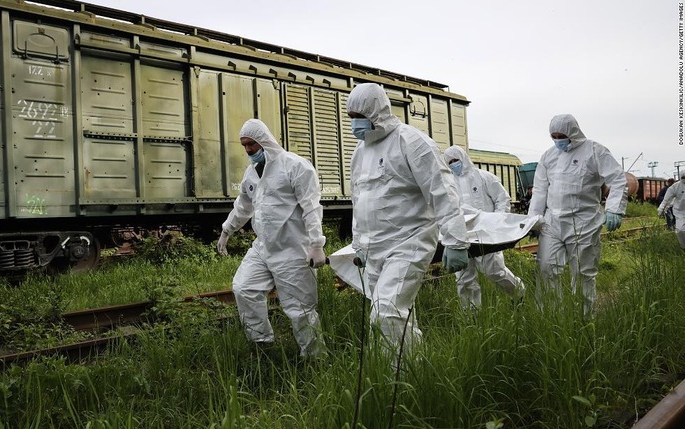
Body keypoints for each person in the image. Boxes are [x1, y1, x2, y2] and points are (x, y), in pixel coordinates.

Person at [346, 83, 469, 350]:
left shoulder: (411, 141)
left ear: (376, 112)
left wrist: (456, 240)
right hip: (375, 247)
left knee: (386, 313)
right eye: (351, 117)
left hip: (409, 242)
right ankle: (411, 374)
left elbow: (442, 191)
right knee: (394, 316)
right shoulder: (360, 153)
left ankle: (401, 375)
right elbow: (360, 200)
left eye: (360, 116)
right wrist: (359, 244)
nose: (354, 123)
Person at [216, 119, 327, 357]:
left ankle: (316, 359)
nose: (247, 150)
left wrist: (316, 244)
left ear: (264, 141)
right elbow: (243, 206)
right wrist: (227, 230)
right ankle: (262, 346)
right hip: (263, 247)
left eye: (251, 145)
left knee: (300, 310)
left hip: (293, 249)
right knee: (244, 287)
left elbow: (311, 208)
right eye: (244, 145)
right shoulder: (251, 173)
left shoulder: (296, 167)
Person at [527, 114, 627, 316]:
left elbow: (617, 179)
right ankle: (550, 315)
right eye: (553, 136)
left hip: (584, 221)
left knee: (582, 273)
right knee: (545, 268)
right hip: (552, 222)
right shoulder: (548, 156)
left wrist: (614, 208)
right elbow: (540, 190)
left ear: (573, 132)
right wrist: (534, 221)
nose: (558, 140)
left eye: (561, 135)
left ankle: (583, 318)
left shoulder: (594, 151)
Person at [443, 146, 525, 309]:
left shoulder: (484, 177)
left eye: (456, 160)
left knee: (494, 271)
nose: (454, 165)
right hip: (462, 236)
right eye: (450, 162)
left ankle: (519, 293)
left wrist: (497, 221)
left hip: (487, 234)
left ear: (464, 158)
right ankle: (471, 315)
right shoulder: (449, 185)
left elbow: (502, 199)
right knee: (464, 278)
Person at [657, 174, 685, 249]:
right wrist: (661, 209)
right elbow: (666, 199)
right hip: (680, 212)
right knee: (680, 230)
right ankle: (683, 247)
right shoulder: (675, 187)